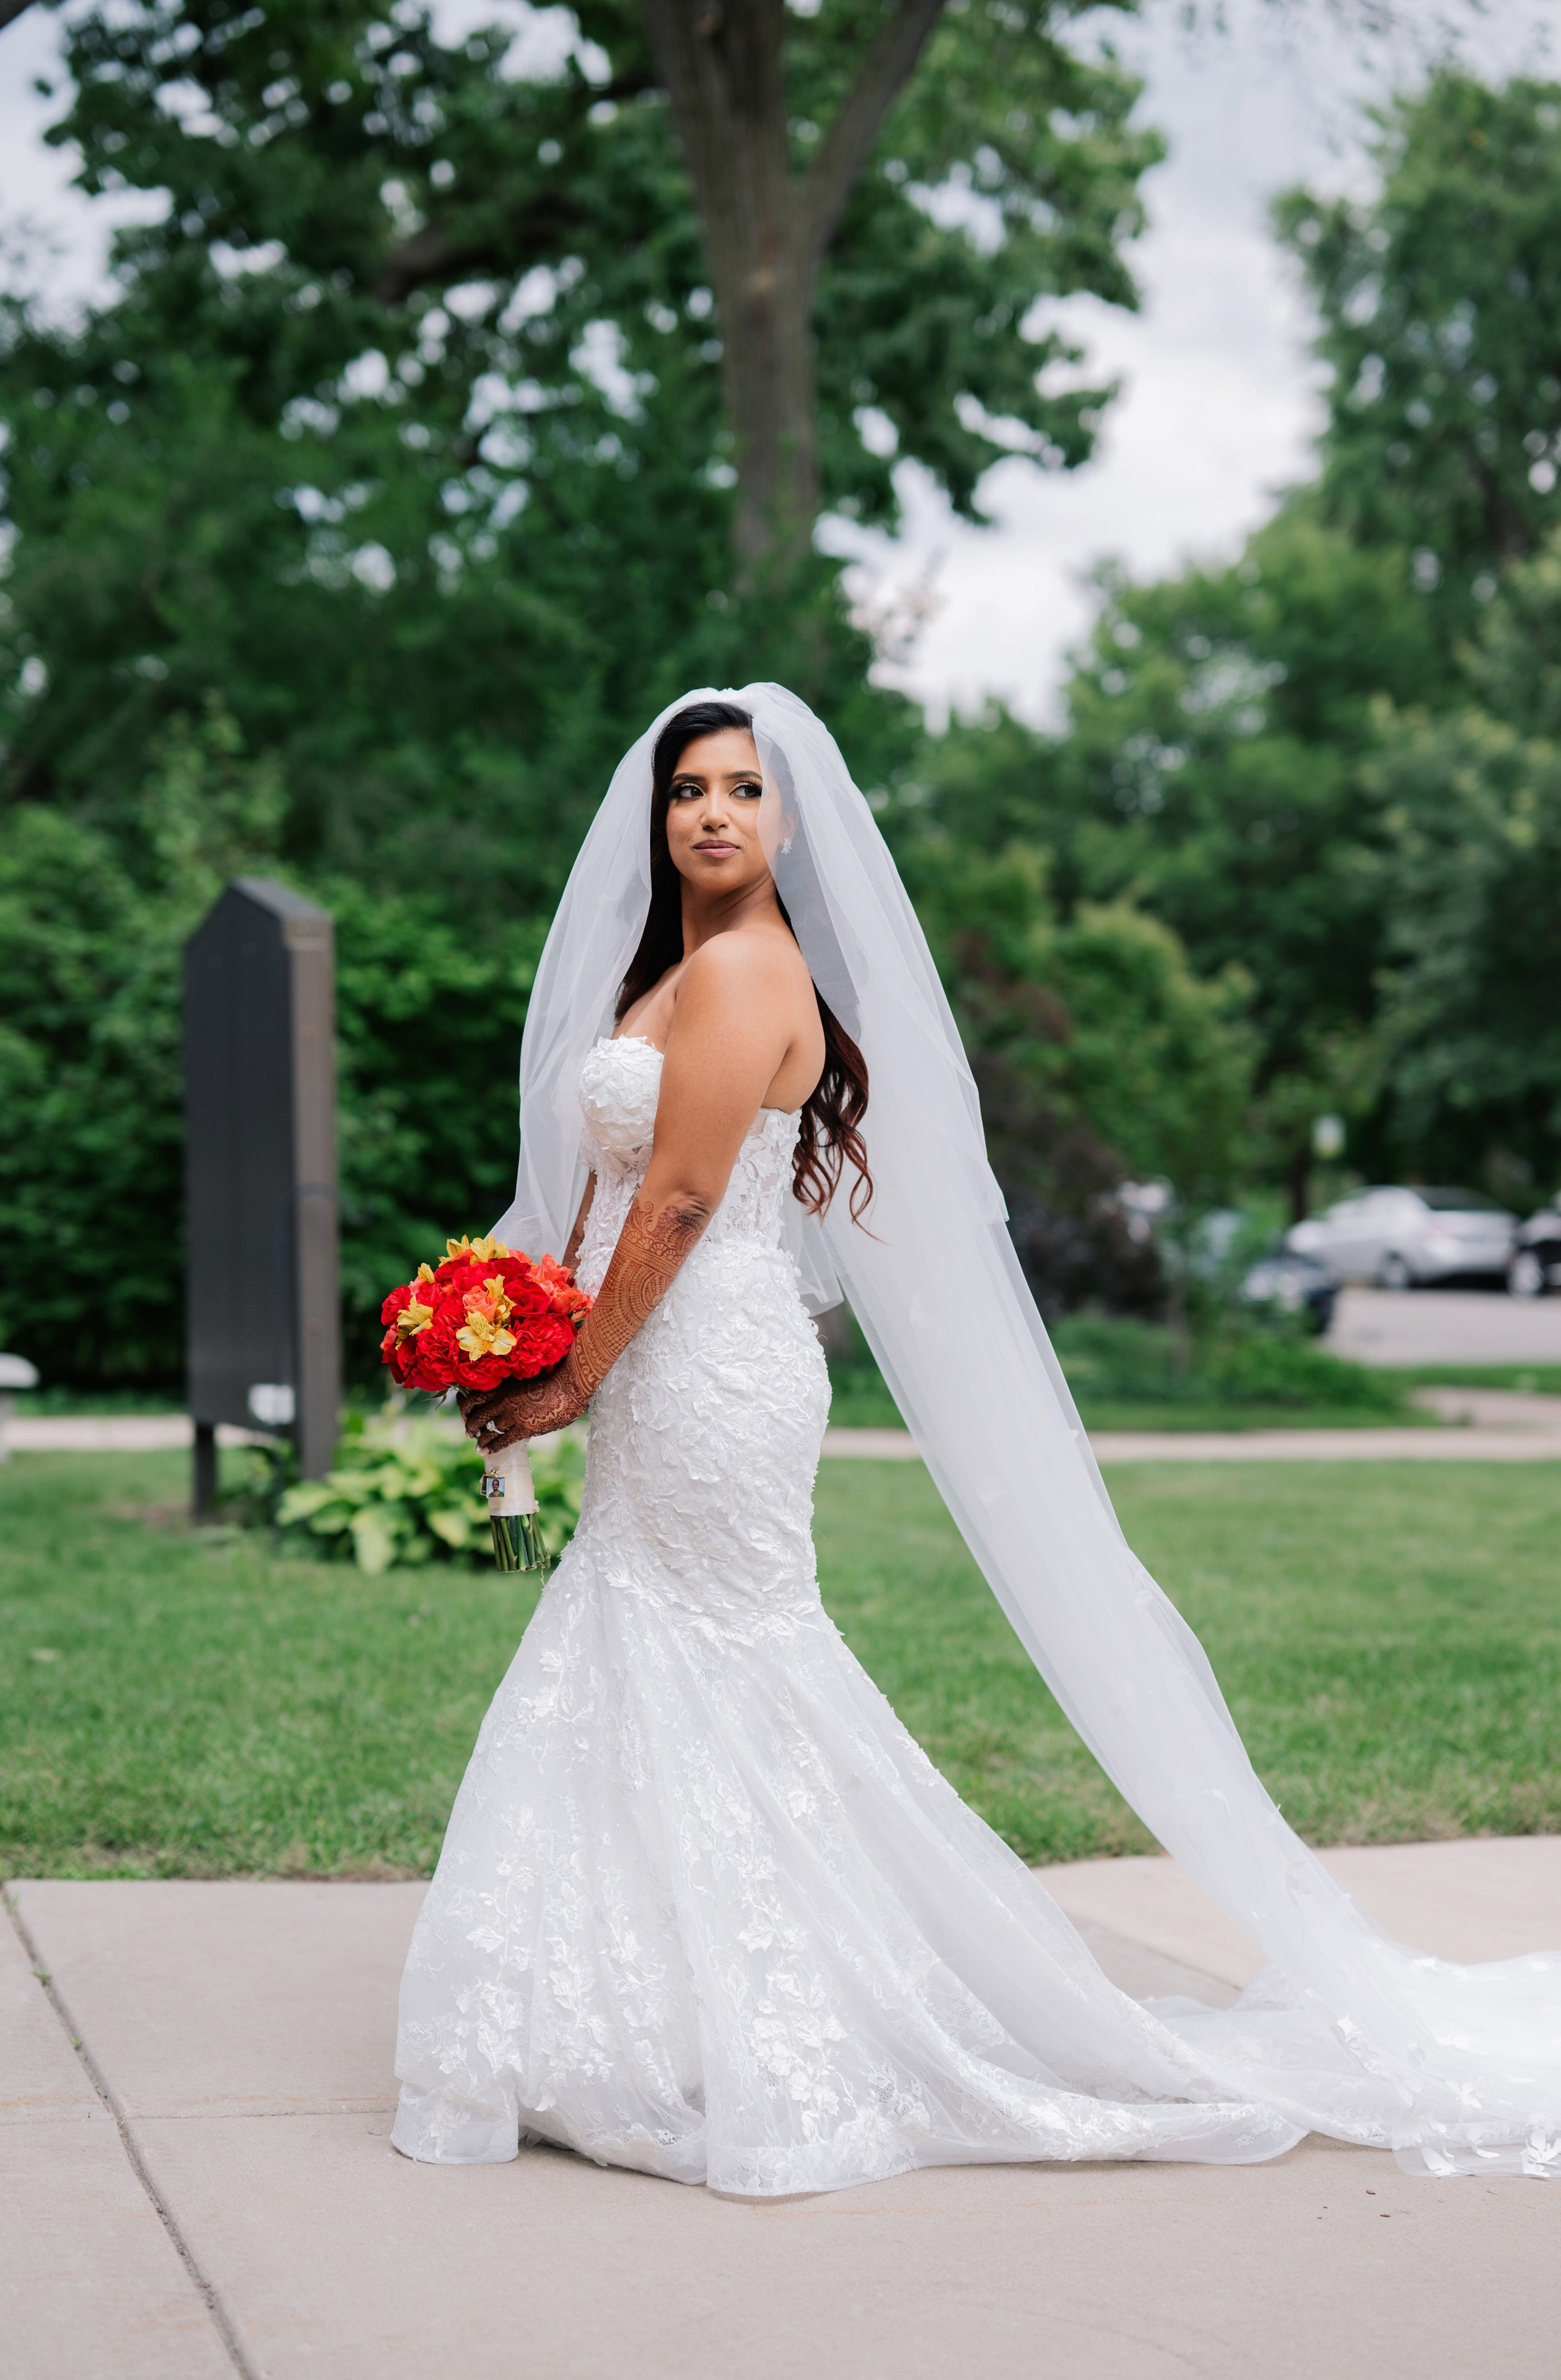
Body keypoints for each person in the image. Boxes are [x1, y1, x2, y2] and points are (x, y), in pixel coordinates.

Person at [391, 687, 1560, 2193]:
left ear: (787, 819)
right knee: (643, 1648)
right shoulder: (668, 975)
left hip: (709, 1360)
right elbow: (610, 1192)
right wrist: (519, 1324)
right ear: (657, 816)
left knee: (731, 1650)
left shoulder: (748, 970)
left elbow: (680, 1201)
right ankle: (636, 2005)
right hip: (649, 1353)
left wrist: (565, 1382)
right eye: (688, 788)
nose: (712, 813)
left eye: (743, 788)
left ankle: (807, 2008)